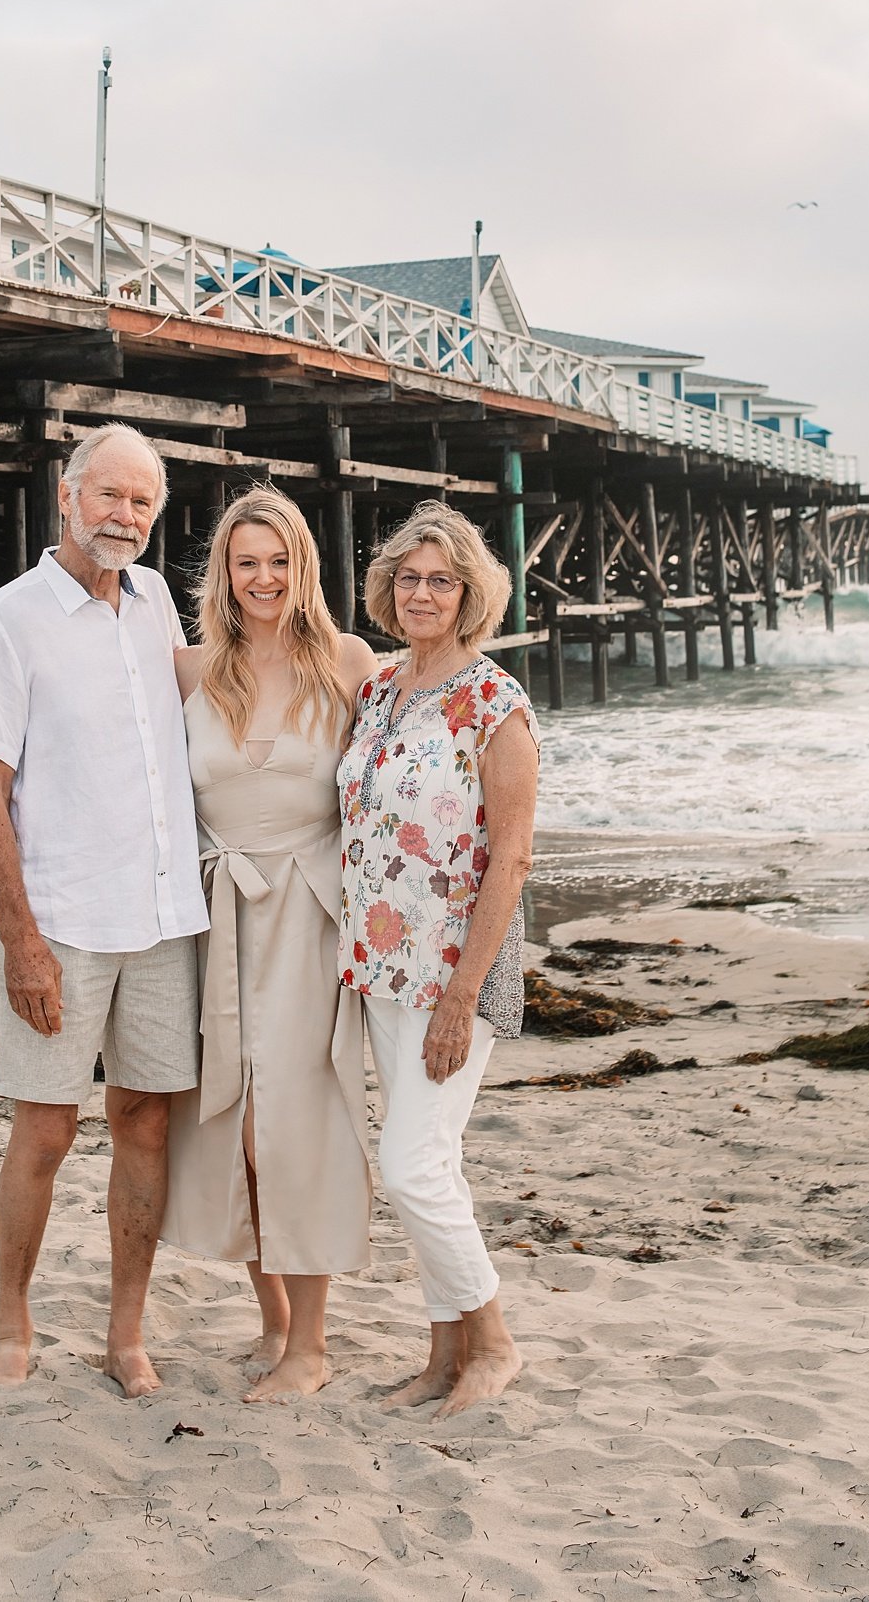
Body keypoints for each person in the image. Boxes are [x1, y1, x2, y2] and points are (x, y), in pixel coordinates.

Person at [0, 423, 208, 1399]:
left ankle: (125, 1333)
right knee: (46, 1130)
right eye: (111, 496)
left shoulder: (154, 605)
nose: (126, 517)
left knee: (143, 1119)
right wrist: (20, 942)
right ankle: (11, 1321)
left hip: (161, 912)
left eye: (143, 502)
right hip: (57, 916)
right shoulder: (11, 619)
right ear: (67, 496)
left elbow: (222, 692)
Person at [163, 489, 376, 1401]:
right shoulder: (189, 668)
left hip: (311, 917)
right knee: (237, 1129)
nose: (263, 579)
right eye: (246, 562)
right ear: (223, 572)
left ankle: (313, 1347)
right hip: (218, 919)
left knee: (293, 1123)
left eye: (279, 561)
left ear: (304, 569)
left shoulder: (349, 662)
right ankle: (274, 1321)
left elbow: (401, 779)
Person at [337, 502, 539, 1417]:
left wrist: (464, 996)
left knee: (412, 1164)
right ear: (389, 589)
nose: (423, 593)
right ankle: (442, 1354)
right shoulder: (380, 687)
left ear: (471, 595)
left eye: (442, 580)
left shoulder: (496, 702)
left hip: (455, 972)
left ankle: (492, 1343)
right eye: (409, 578)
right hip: (381, 968)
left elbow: (514, 857)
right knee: (435, 1163)